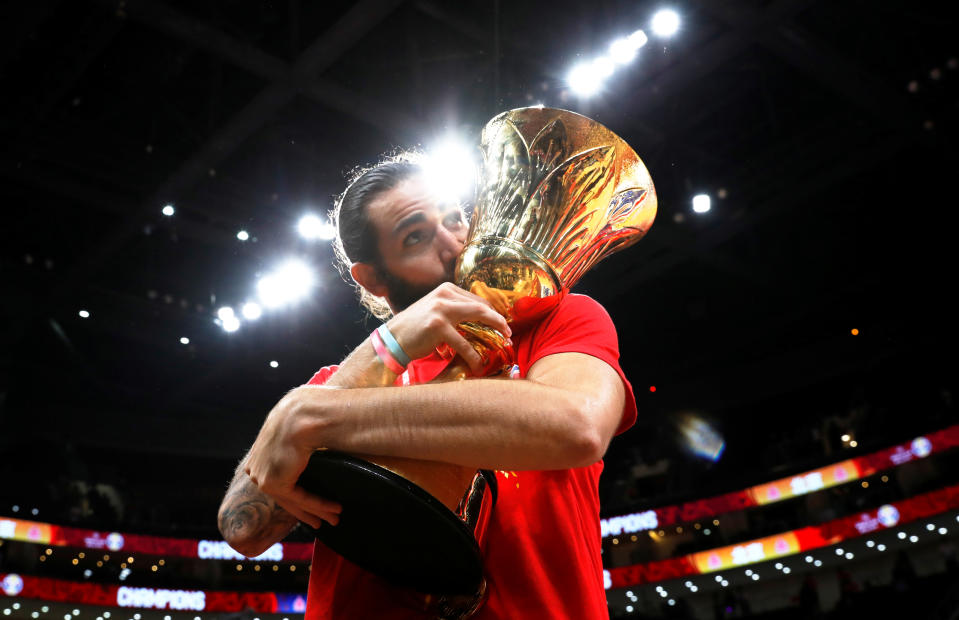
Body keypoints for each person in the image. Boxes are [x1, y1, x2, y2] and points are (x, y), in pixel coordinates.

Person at [217, 155, 637, 619]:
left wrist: (316, 420)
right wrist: (387, 347)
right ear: (373, 278)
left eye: (454, 217)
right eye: (415, 236)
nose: (454, 243)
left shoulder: (562, 321)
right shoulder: (336, 386)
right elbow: (244, 529)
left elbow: (577, 426)